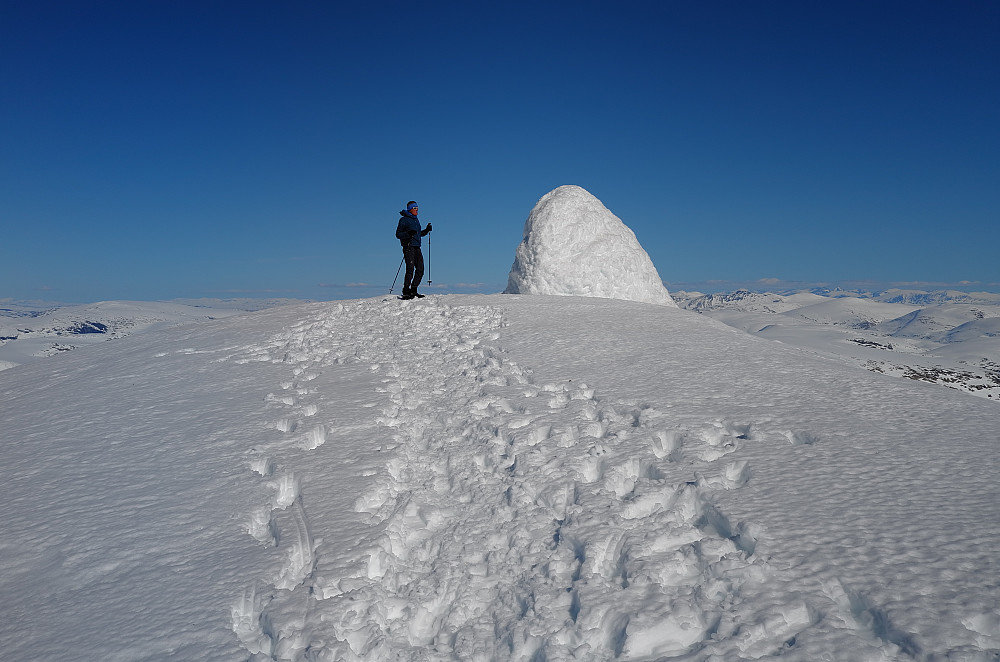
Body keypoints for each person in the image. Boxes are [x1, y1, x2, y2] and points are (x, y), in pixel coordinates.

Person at [395, 201, 432, 299]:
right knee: (410, 268)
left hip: (417, 246)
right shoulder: (404, 220)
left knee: (420, 269)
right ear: (410, 209)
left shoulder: (416, 220)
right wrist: (408, 234)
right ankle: (406, 290)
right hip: (408, 246)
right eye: (415, 208)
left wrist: (426, 230)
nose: (417, 210)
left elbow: (418, 234)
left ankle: (414, 290)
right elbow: (398, 234)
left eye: (417, 208)